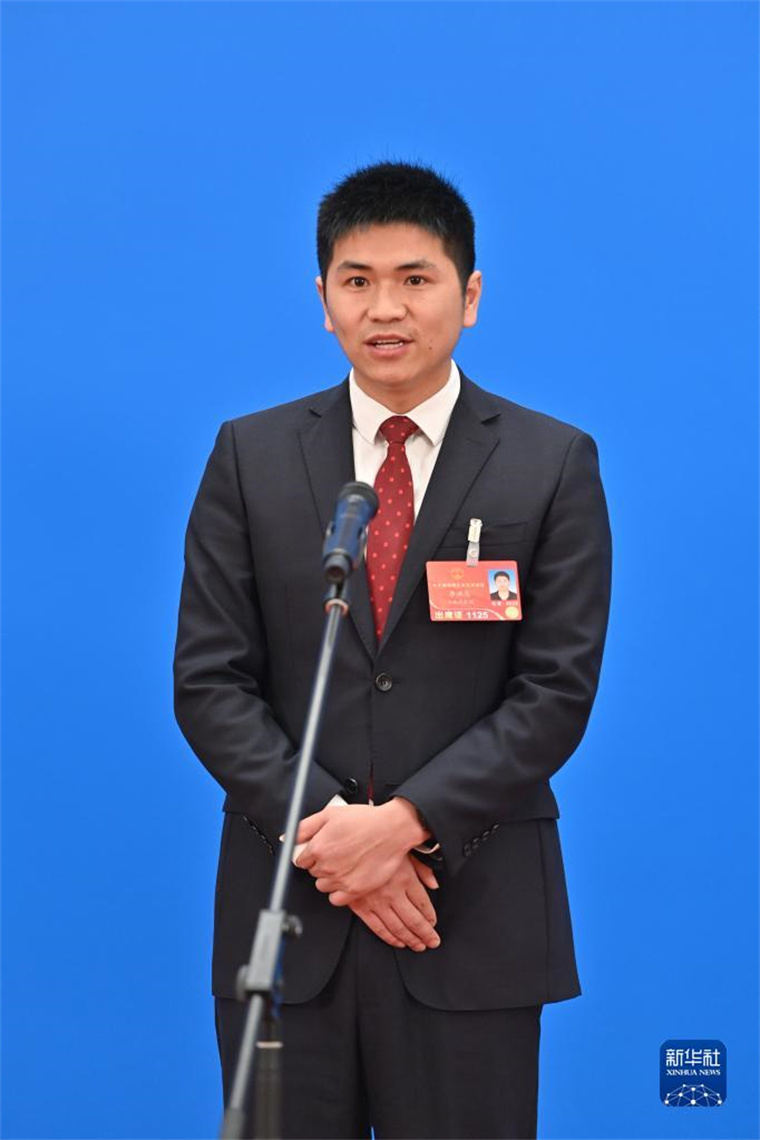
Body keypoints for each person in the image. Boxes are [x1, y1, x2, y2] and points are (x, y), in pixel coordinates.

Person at [173, 161, 612, 1140]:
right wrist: (336, 836)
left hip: (472, 917)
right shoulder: (250, 456)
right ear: (323, 299)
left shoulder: (550, 462)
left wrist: (406, 824)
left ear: (470, 295)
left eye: (415, 279)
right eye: (357, 280)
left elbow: (554, 691)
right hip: (292, 915)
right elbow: (209, 681)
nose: (386, 308)